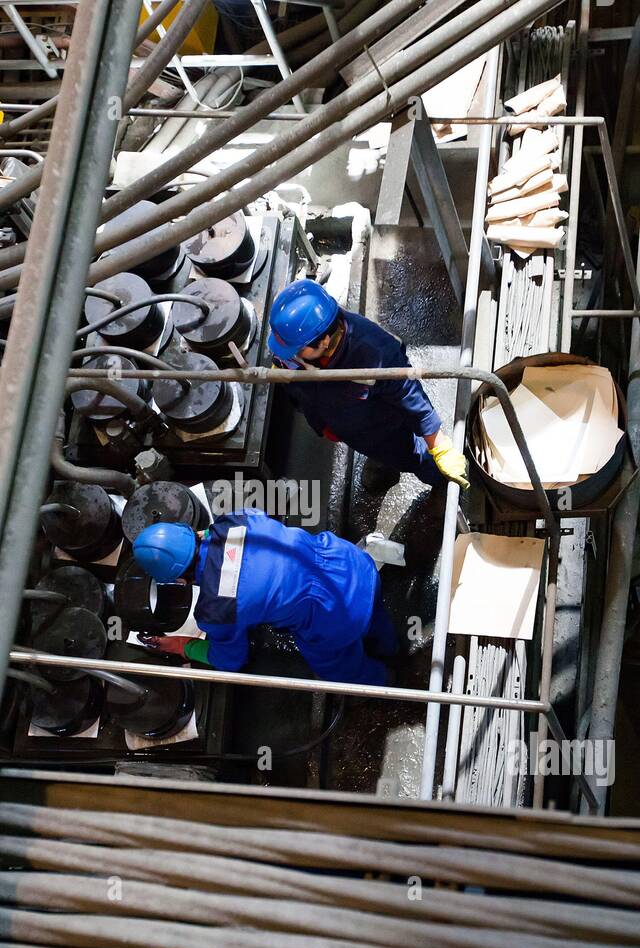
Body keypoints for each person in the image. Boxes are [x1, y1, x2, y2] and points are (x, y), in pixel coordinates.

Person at [131, 509, 399, 686]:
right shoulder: (235, 519)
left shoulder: (216, 610)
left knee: (339, 667)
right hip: (352, 564)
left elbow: (230, 660)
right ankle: (392, 647)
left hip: (334, 619)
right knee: (374, 613)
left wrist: (184, 647)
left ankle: (386, 682)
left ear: (178, 580)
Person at [266, 278, 470, 492]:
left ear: (324, 341)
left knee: (411, 455)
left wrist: (439, 446)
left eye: (295, 350)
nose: (290, 355)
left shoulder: (375, 353)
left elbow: (411, 396)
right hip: (346, 429)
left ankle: (441, 483)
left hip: (380, 429)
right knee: (375, 451)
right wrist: (324, 426)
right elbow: (300, 388)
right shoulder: (295, 349)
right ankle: (382, 463)